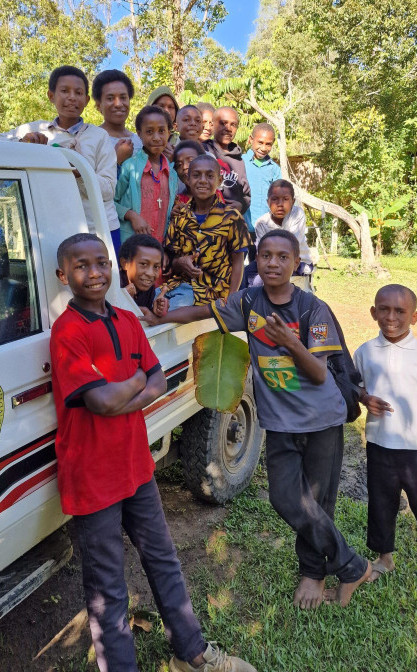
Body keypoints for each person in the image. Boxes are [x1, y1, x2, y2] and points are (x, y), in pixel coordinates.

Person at [51, 232, 257, 672]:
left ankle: (192, 654)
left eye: (101, 263)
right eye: (81, 266)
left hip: (135, 465)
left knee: (163, 558)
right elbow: (100, 402)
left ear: (112, 267)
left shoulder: (127, 320)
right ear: (62, 275)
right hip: (93, 476)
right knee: (108, 588)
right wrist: (134, 383)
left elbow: (158, 380)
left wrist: (122, 391)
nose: (94, 273)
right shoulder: (68, 331)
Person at [142, 229, 371, 609]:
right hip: (279, 421)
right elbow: (204, 312)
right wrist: (159, 317)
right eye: (266, 255)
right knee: (285, 498)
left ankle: (313, 574)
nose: (273, 263)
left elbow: (319, 373)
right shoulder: (249, 301)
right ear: (256, 260)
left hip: (321, 420)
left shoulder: (313, 309)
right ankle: (352, 565)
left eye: (283, 257)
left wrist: (290, 341)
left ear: (296, 263)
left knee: (316, 502)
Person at [354, 284, 417, 615]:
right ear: (373, 312)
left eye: (400, 311)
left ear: (414, 316)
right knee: (380, 506)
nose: (391, 317)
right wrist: (364, 398)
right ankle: (384, 559)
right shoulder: (365, 352)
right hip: (379, 446)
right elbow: (356, 387)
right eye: (384, 309)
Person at [0, 65, 120, 252]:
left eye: (78, 92)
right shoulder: (37, 129)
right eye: (64, 91)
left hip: (99, 229)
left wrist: (79, 172)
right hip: (55, 228)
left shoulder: (99, 136)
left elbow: (108, 190)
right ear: (51, 96)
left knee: (106, 271)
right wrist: (22, 142)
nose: (72, 97)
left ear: (86, 100)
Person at [163, 154, 250, 309]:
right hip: (179, 286)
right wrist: (180, 263)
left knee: (167, 310)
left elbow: (238, 261)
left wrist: (230, 300)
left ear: (220, 181)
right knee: (147, 302)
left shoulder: (231, 217)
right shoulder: (180, 216)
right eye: (196, 175)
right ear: (187, 180)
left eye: (210, 176)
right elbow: (172, 260)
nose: (203, 180)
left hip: (212, 293)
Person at [114, 105, 178, 244]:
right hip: (131, 243)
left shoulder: (172, 174)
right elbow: (110, 201)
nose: (156, 138)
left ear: (169, 133)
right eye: (149, 132)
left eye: (161, 131)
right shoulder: (129, 167)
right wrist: (131, 215)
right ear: (139, 134)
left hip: (159, 246)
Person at [254, 180, 313, 276]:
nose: (280, 204)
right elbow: (262, 252)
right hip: (270, 264)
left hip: (297, 263)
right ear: (268, 202)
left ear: (293, 202)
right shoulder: (261, 223)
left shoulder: (297, 214)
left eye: (285, 199)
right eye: (274, 199)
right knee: (247, 273)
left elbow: (291, 248)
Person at [202, 106, 251, 215]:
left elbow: (246, 195)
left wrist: (241, 205)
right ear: (212, 125)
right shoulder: (203, 151)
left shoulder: (239, 161)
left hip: (231, 220)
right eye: (223, 123)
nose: (228, 128)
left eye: (233, 124)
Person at [92, 69, 142, 167]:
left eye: (123, 97)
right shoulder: (91, 139)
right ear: (98, 105)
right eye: (110, 98)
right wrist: (117, 160)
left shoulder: (140, 141)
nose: (118, 104)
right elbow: (86, 175)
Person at [119, 234, 169, 317]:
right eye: (143, 264)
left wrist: (154, 312)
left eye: (156, 267)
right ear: (125, 264)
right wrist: (122, 299)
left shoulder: (147, 287)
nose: (150, 273)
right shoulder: (114, 286)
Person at [243, 123, 281, 232]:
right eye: (260, 142)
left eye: (268, 144)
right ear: (251, 139)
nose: (263, 148)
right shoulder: (240, 162)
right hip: (242, 229)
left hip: (266, 229)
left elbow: (279, 198)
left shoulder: (274, 169)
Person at [147, 85, 180, 160]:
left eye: (171, 107)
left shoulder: (181, 143)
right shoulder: (138, 141)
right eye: (161, 106)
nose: (167, 111)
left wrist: (174, 161)